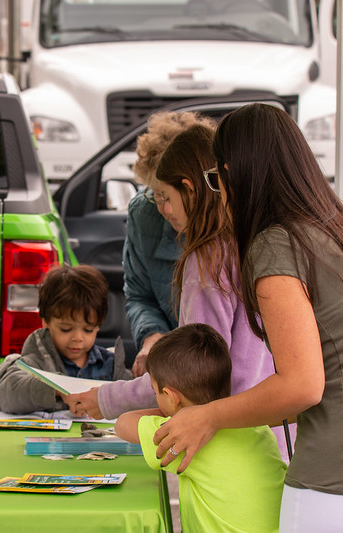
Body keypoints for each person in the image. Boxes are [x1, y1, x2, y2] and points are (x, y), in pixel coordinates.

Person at [155, 103, 343, 532]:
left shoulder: (276, 244)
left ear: (237, 173)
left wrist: (207, 416)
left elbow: (301, 386)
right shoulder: (342, 230)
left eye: (217, 178)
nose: (219, 191)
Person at [66, 122, 295, 463]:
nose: (161, 209)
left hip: (221, 443)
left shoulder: (206, 263)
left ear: (189, 187)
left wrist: (105, 400)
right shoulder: (257, 241)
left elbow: (189, 372)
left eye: (164, 197)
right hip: (272, 436)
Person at [116, 323, 286, 532]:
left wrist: (177, 417)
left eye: (155, 393)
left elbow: (123, 424)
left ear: (171, 397)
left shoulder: (188, 436)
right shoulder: (257, 427)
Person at [125, 111, 210, 377]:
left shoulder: (231, 229)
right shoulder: (143, 212)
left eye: (167, 195)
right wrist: (153, 338)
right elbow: (140, 296)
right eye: (155, 194)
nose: (163, 207)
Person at [0, 264, 132, 413]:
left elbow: (135, 398)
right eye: (66, 329)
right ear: (46, 322)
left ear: (99, 325)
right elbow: (7, 396)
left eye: (88, 329)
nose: (78, 338)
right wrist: (55, 387)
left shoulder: (111, 366)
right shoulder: (34, 362)